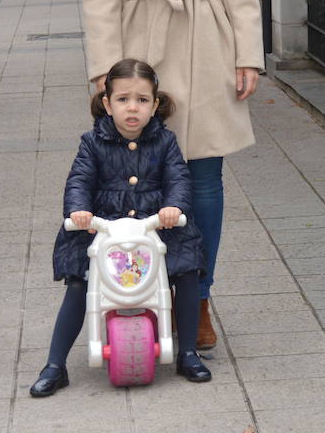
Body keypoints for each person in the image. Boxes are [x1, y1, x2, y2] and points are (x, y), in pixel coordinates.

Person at [80, 0, 264, 354]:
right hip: (142, 50)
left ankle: (198, 300)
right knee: (139, 181)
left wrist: (247, 53)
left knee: (204, 179)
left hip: (207, 39)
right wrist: (105, 73)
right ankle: (143, 294)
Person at [30, 58, 212, 397]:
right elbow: (79, 180)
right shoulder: (92, 142)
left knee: (186, 271)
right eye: (123, 99)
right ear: (107, 103)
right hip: (103, 227)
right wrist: (79, 211)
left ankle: (187, 352)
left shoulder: (165, 141)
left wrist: (175, 207)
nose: (133, 108)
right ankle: (55, 364)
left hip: (157, 226)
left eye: (142, 100)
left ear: (155, 105)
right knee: (79, 282)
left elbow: (178, 179)